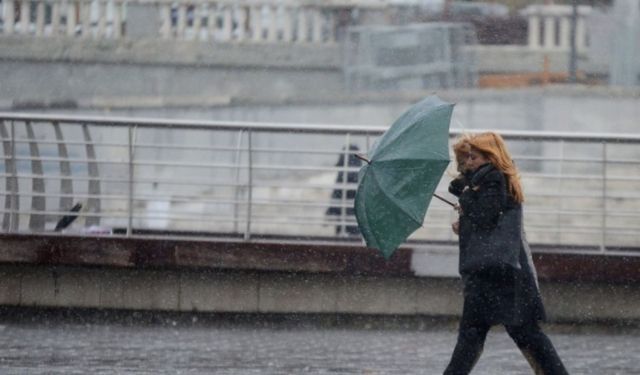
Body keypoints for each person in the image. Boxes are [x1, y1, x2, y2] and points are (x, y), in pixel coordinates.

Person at [444, 132, 568, 375]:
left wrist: (466, 200)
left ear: (491, 155)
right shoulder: (489, 181)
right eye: (465, 157)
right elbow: (488, 219)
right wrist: (465, 218)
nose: (468, 162)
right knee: (518, 333)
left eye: (474, 156)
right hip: (501, 270)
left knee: (482, 334)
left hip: (496, 272)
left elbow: (485, 215)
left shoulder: (492, 179)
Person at [326, 144, 362, 236]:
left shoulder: (342, 174)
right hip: (357, 219)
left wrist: (330, 212)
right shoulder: (360, 173)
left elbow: (336, 195)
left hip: (343, 219)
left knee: (343, 232)